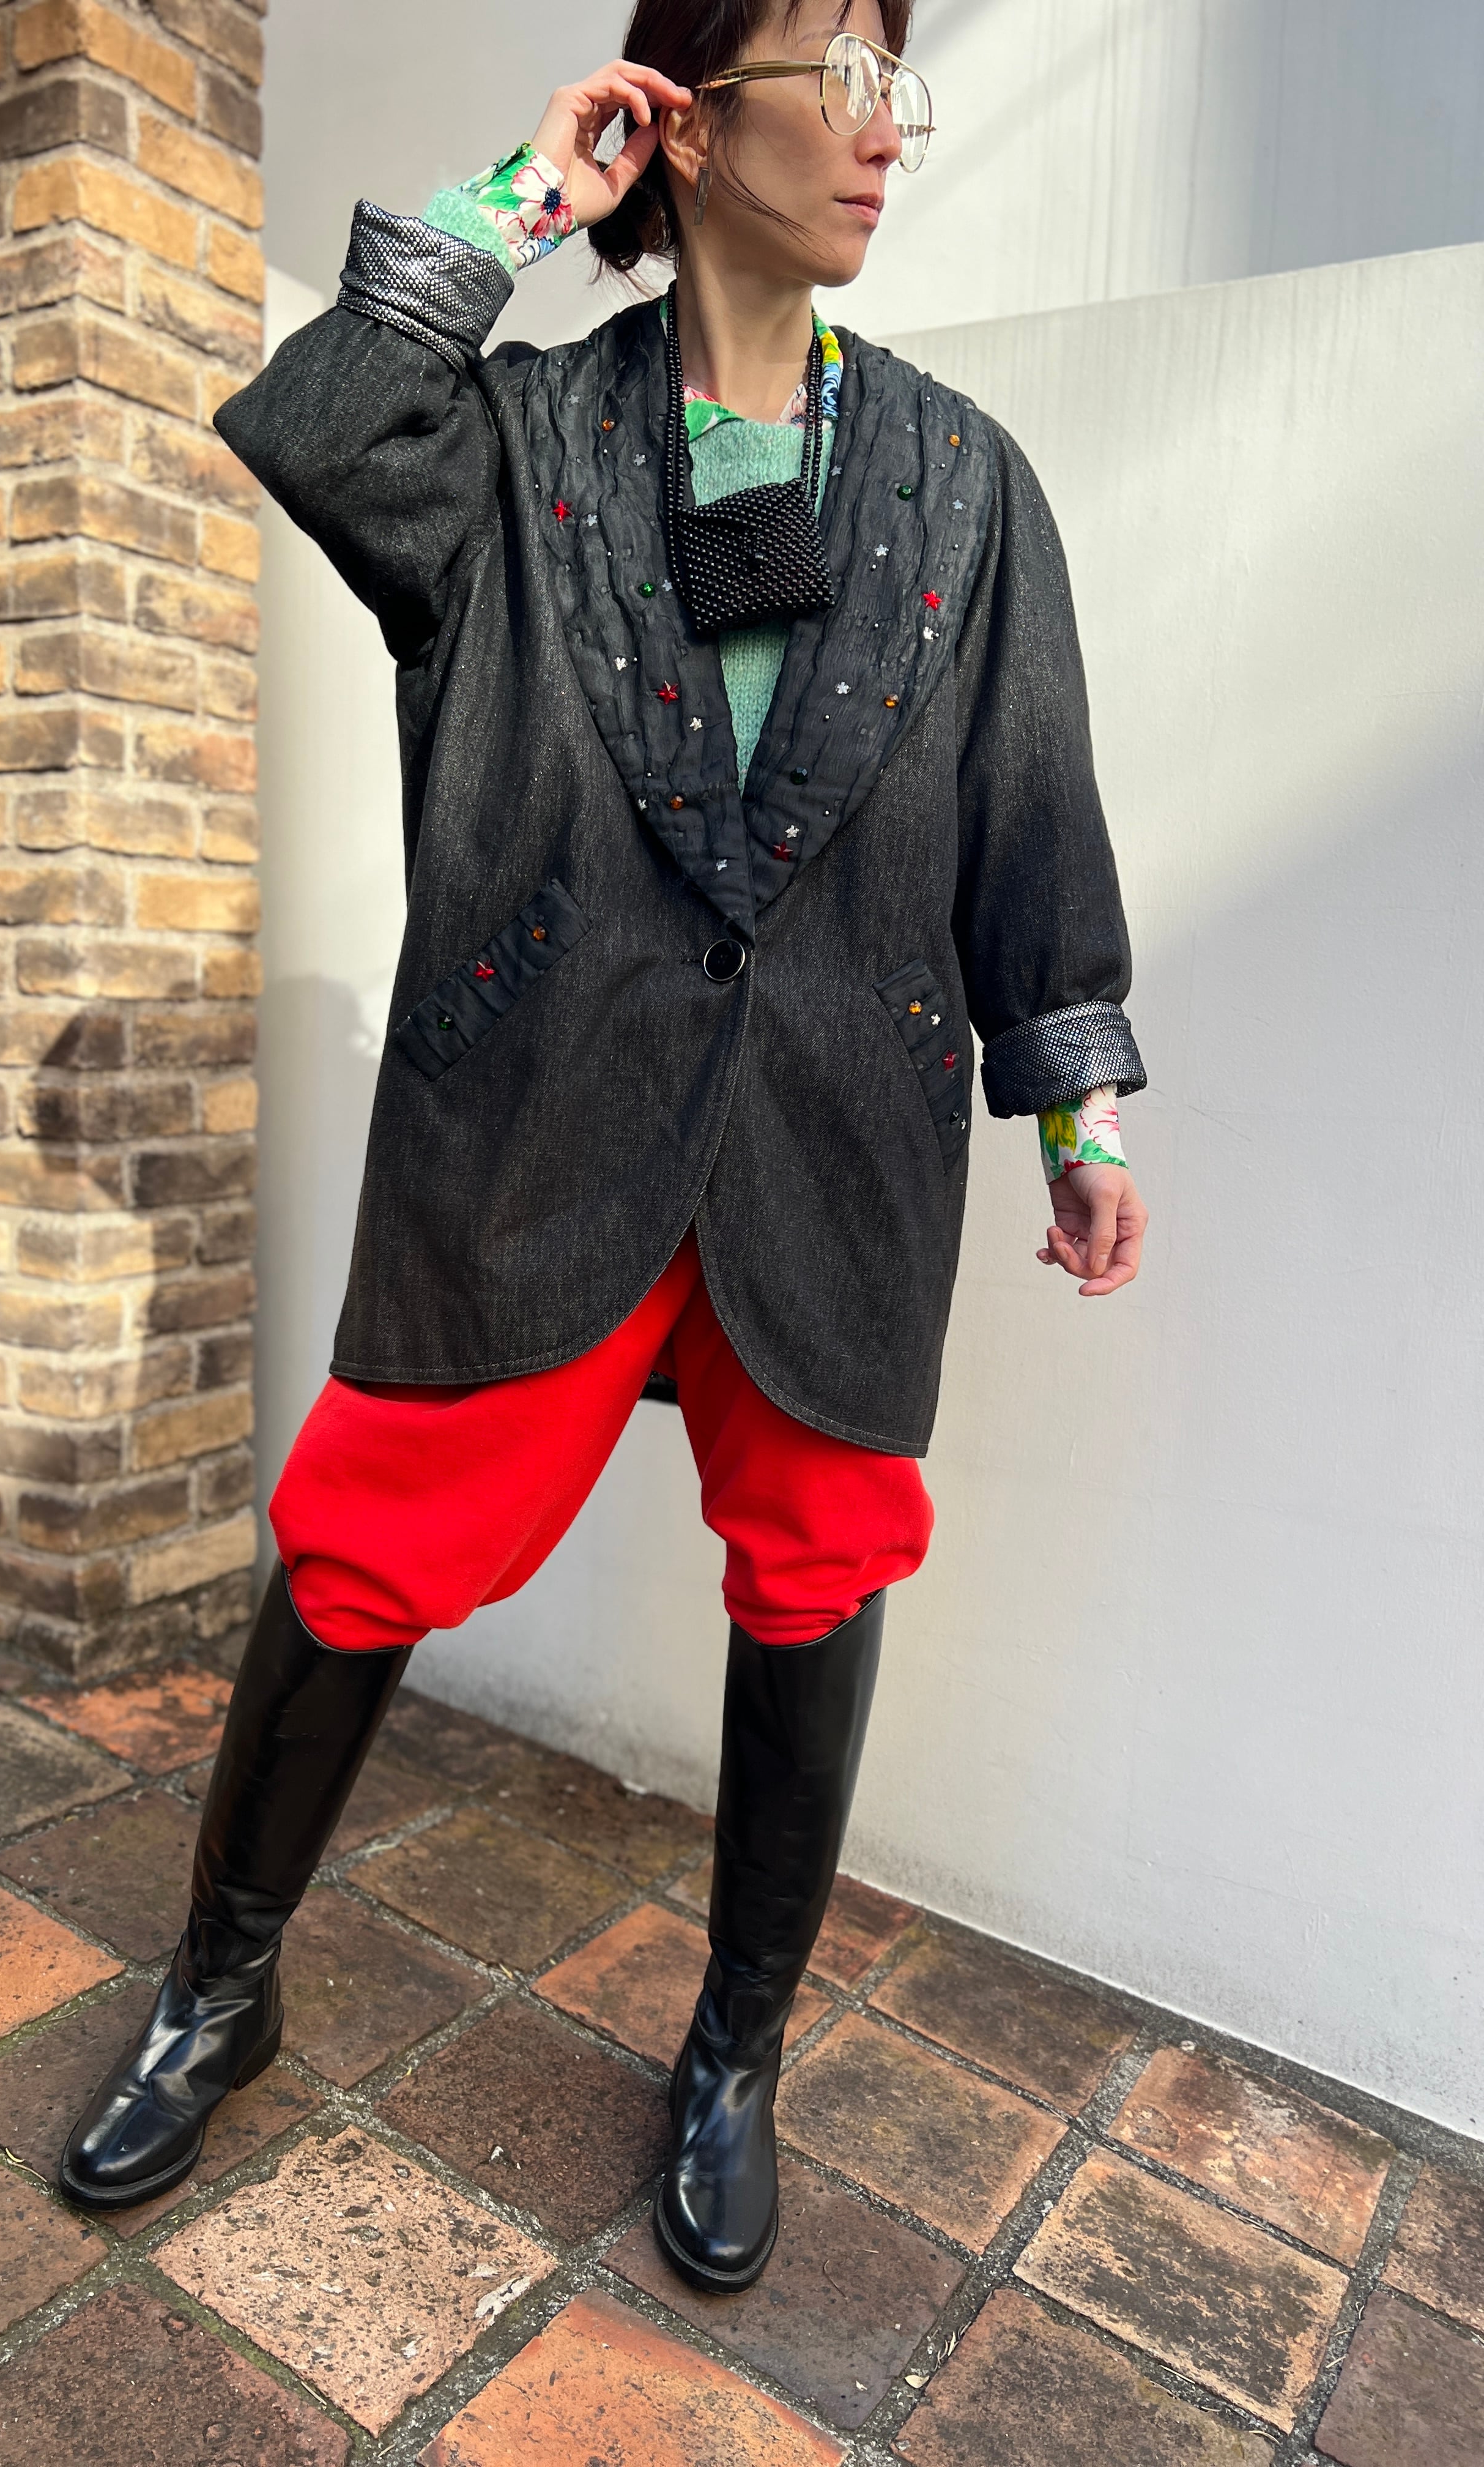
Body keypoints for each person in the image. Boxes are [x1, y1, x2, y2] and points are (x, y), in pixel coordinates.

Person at [58, 0, 1149, 2298]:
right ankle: (219, 1991)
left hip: (836, 1128)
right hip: (543, 1108)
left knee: (822, 1559)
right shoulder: (518, 442)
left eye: (903, 84)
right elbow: (321, 428)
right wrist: (516, 207)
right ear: (693, 116)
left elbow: (1030, 805)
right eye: (842, 75)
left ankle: (736, 2055)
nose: (888, 132)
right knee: (363, 1542)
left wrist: (1075, 1098)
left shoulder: (967, 482)